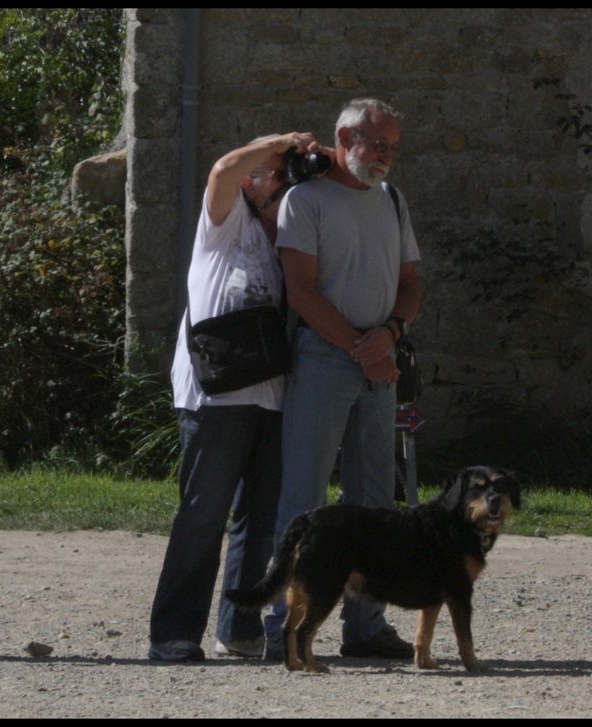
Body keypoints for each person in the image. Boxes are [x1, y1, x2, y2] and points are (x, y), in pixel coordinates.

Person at [149, 131, 321, 662]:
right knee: (204, 513)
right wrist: (282, 140)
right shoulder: (224, 223)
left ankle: (241, 627)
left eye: (284, 172)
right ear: (255, 183)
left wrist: (317, 160)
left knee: (264, 518)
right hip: (216, 396)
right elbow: (223, 170)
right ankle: (174, 634)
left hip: (272, 395)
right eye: (274, 172)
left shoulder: (296, 236)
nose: (281, 179)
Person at [264, 98, 421, 660]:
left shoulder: (392, 200)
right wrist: (365, 346)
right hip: (326, 361)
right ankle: (281, 629)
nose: (386, 156)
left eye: (393, 147)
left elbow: (410, 282)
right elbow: (301, 291)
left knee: (375, 502)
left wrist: (393, 333)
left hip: (379, 361)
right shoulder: (304, 200)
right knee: (303, 499)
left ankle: (366, 627)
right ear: (343, 137)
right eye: (378, 144)